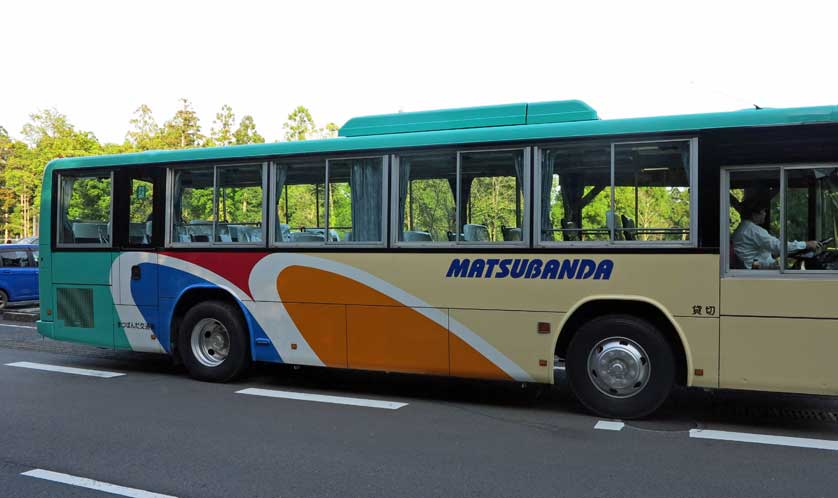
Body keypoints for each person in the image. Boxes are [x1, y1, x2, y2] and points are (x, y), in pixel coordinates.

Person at [732, 201, 820, 269]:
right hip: (753, 272)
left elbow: (759, 254)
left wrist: (775, 254)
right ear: (754, 214)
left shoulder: (744, 227)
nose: (765, 214)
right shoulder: (753, 230)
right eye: (762, 211)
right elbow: (778, 246)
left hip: (754, 268)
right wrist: (807, 244)